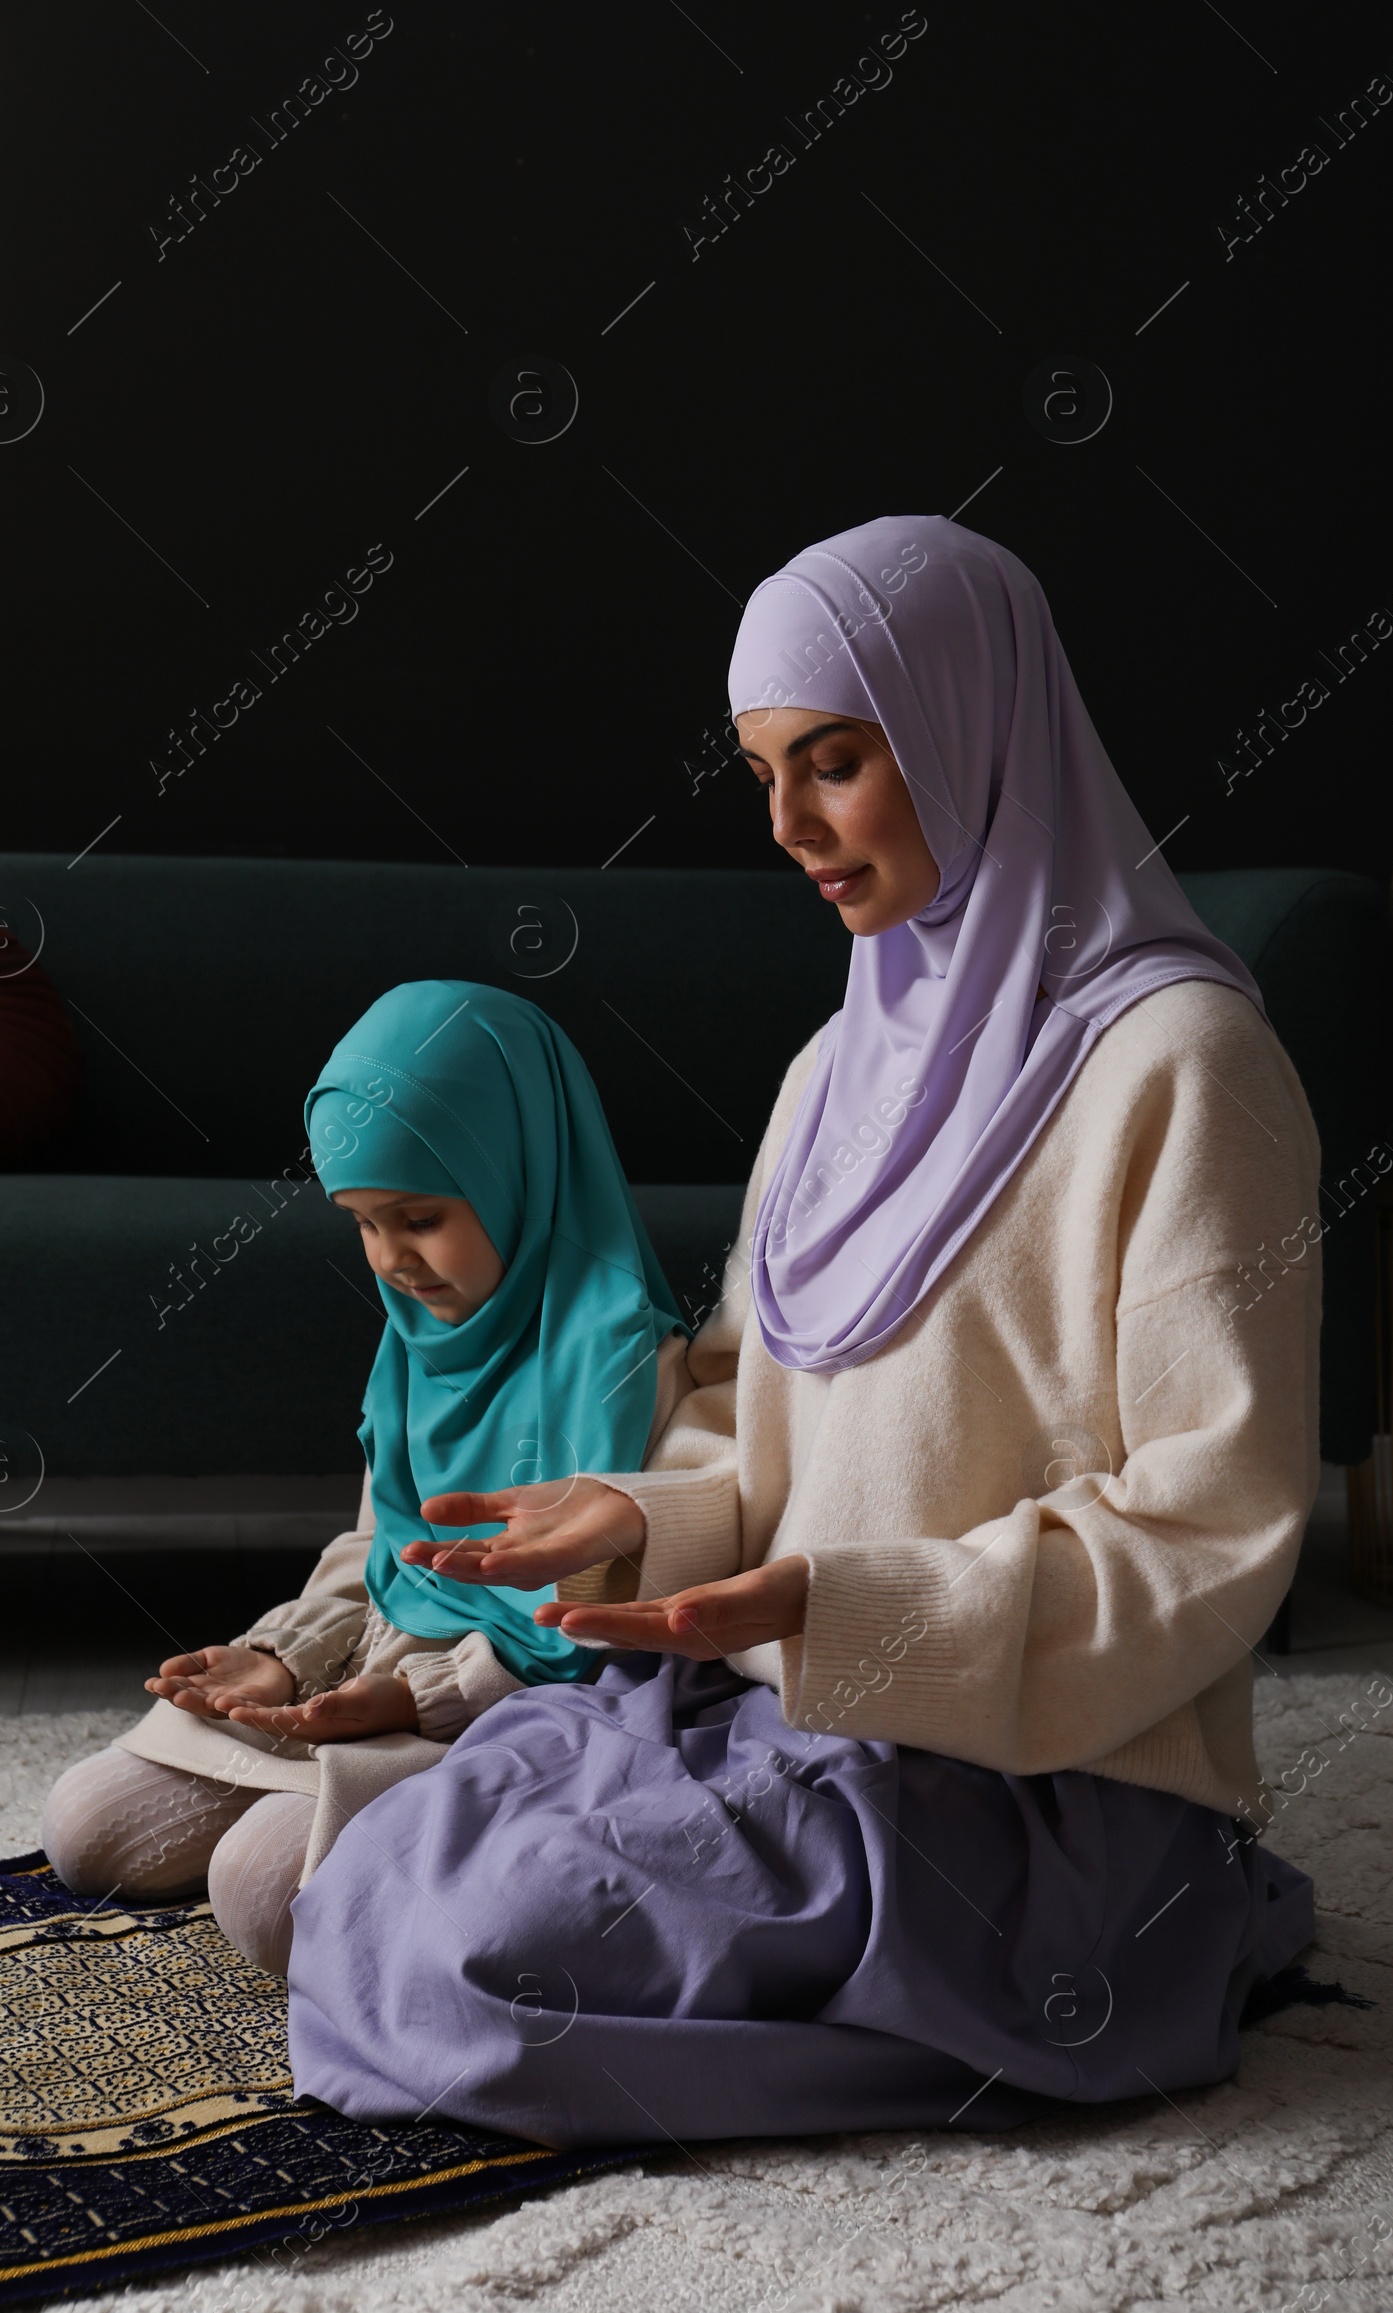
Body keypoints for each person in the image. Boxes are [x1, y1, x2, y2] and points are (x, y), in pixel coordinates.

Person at [286, 515, 1324, 2145]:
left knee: (487, 1958)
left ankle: (1148, 1951)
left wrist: (850, 1606)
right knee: (369, 1888)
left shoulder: (1187, 1068)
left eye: (833, 763)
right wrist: (646, 1514)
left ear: (977, 728)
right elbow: (752, 1414)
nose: (786, 825)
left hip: (1036, 1784)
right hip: (787, 1706)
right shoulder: (828, 1074)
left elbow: (1215, 1527)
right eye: (764, 773)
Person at [41, 981, 687, 1972]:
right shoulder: (422, 1336)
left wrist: (418, 1697)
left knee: (259, 1892)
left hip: (510, 1705)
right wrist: (287, 1657)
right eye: (362, 1223)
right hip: (367, 1673)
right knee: (84, 1829)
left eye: (419, 1217)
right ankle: (318, 1786)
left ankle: (356, 1816)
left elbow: (588, 1630)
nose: (392, 1260)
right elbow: (379, 1548)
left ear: (517, 1168)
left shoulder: (626, 1368)